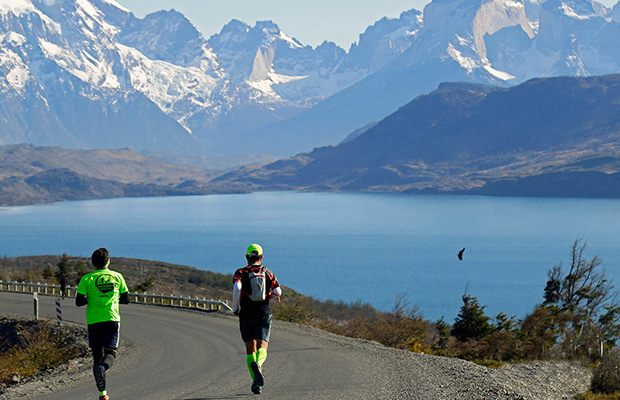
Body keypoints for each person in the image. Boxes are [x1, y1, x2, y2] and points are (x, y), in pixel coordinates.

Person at [76, 248, 130, 400]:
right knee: (111, 353)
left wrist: (92, 298)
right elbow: (126, 299)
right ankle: (104, 367)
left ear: (93, 263)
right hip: (112, 319)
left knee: (97, 356)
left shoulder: (87, 279)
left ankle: (102, 394)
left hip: (94, 321)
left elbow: (79, 302)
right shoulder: (117, 276)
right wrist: (111, 296)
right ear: (108, 261)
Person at [232, 244, 282, 395]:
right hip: (263, 313)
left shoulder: (241, 272)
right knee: (263, 345)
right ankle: (258, 365)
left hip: (246, 314)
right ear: (261, 257)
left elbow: (237, 288)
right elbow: (278, 290)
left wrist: (235, 308)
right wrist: (268, 297)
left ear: (247, 257)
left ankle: (256, 383)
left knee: (250, 348)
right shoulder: (267, 272)